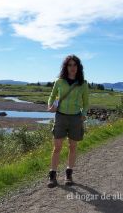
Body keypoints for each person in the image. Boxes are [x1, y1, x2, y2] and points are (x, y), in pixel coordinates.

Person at [47, 54, 89, 188]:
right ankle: (52, 175)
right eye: (69, 65)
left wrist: (83, 114)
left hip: (75, 118)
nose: (72, 68)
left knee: (72, 146)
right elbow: (52, 96)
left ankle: (68, 174)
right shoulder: (59, 81)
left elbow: (86, 103)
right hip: (60, 116)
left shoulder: (83, 84)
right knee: (57, 147)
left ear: (78, 67)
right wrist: (50, 106)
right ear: (66, 67)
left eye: (75, 65)